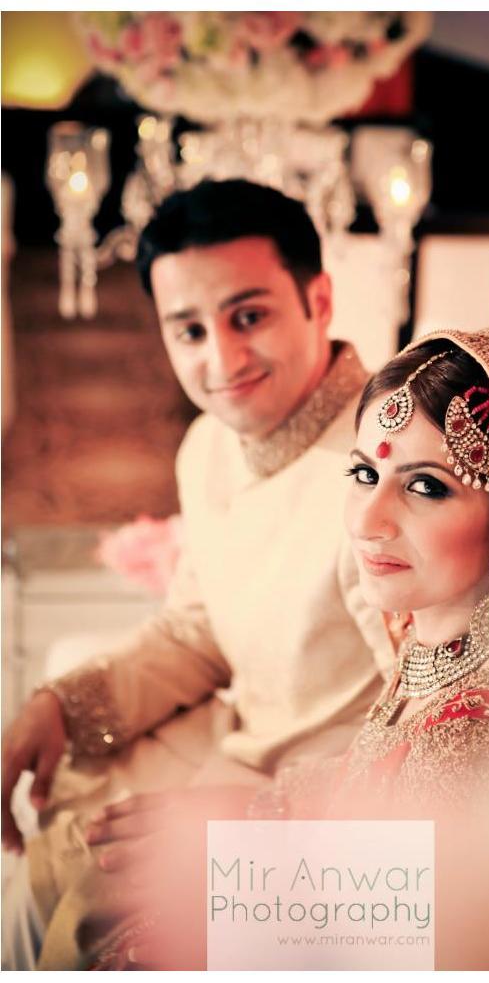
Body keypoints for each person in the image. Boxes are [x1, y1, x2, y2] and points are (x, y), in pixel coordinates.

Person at [45, 324, 489, 970]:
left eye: (426, 486)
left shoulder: (475, 740)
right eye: (364, 473)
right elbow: (366, 780)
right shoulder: (436, 644)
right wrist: (249, 812)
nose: (367, 520)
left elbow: (381, 940)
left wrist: (223, 871)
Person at [1, 179, 395, 969]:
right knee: (45, 867)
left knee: (90, 916)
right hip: (235, 753)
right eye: (188, 329)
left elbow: (443, 726)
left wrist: (265, 816)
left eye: (249, 317)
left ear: (319, 301)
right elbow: (197, 629)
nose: (221, 361)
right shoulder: (208, 447)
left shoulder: (392, 464)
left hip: (336, 811)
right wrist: (61, 704)